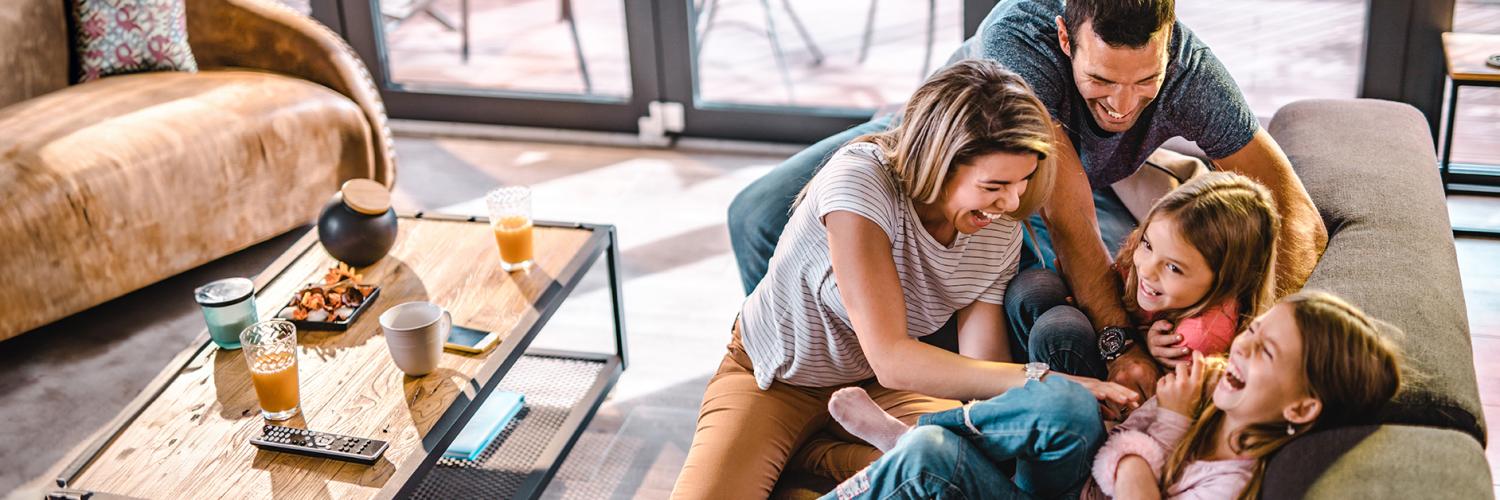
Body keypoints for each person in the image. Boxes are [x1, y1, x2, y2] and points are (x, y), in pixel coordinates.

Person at [726, 0, 1328, 398]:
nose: (1122, 106)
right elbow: (1066, 219)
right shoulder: (1020, 39)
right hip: (943, 146)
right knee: (755, 216)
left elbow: (1298, 214)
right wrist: (1121, 350)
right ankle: (812, 381)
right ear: (1067, 39)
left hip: (1058, 187)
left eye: (1146, 82)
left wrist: (1248, 332)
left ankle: (898, 373)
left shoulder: (1192, 73)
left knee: (1120, 273)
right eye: (1100, 82)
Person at [670, 60, 1139, 500]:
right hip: (778, 377)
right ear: (939, 162)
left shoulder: (995, 227)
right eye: (994, 186)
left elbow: (981, 368)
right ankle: (808, 457)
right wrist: (1045, 379)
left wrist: (1042, 404)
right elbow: (892, 354)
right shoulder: (860, 183)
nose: (1012, 203)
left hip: (878, 391)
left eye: (1022, 182)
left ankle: (814, 459)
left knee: (963, 470)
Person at [820, 291, 1401, 500]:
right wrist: (1130, 412)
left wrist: (1165, 425)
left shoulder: (1232, 483)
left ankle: (919, 444)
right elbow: (1113, 453)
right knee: (1065, 403)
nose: (1241, 350)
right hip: (1070, 483)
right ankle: (929, 427)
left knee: (929, 461)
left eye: (1266, 354)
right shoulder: (1207, 394)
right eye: (1252, 333)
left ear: (1300, 408)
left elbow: (1128, 478)